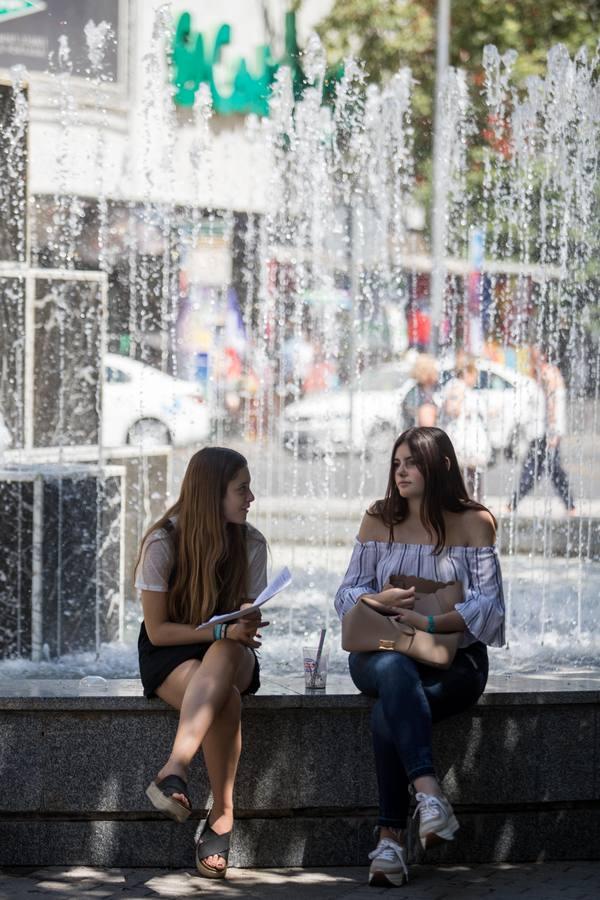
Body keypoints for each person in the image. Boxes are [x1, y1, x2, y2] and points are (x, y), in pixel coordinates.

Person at [334, 426, 505, 887]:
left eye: (412, 462)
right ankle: (429, 792)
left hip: (456, 662)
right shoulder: (378, 520)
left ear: (441, 465)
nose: (402, 472)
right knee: (394, 667)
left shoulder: (475, 522)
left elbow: (490, 609)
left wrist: (428, 623)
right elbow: (346, 594)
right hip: (380, 649)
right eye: (397, 463)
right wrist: (378, 599)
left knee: (387, 714)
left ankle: (390, 840)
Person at [135, 447, 268, 879]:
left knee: (227, 652)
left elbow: (244, 621)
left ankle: (175, 767)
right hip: (172, 652)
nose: (251, 498)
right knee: (225, 697)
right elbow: (158, 632)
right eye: (241, 489)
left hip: (233, 653)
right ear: (213, 493)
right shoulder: (162, 542)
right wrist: (219, 632)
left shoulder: (251, 543)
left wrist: (243, 622)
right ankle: (223, 815)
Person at [509, 347, 576, 515]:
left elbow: (551, 404)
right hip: (544, 432)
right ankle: (570, 506)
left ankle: (513, 504)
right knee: (547, 470)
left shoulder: (548, 374)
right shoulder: (549, 373)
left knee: (537, 470)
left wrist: (552, 432)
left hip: (546, 433)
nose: (531, 360)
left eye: (534, 356)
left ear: (543, 356)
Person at [440, 359, 491, 501]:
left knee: (468, 474)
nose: (475, 379)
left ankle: (471, 503)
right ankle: (472, 504)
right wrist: (462, 410)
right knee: (468, 473)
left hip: (467, 437)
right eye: (474, 375)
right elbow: (451, 408)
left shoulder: (460, 387)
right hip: (463, 438)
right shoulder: (458, 386)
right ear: (466, 373)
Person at [401, 353, 440, 428]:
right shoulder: (419, 396)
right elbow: (428, 427)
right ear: (428, 373)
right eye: (434, 369)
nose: (437, 372)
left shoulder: (419, 391)